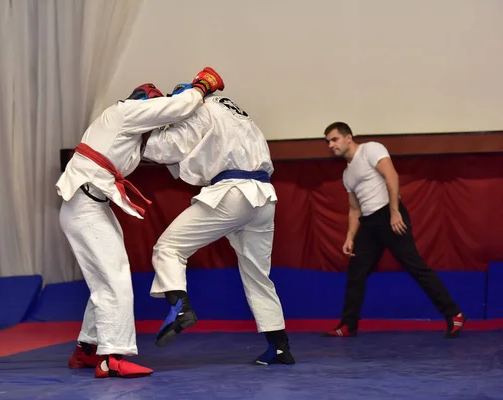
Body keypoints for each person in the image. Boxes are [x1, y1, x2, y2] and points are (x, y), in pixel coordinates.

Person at [55, 67, 225, 379]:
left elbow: (171, 145)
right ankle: (112, 359)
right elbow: (175, 108)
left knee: (105, 279)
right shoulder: (122, 112)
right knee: (114, 280)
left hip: (90, 205)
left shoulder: (131, 138)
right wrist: (200, 88)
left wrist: (194, 107)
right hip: (84, 205)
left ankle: (86, 350)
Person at [141, 83, 295, 366]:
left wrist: (139, 125)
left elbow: (164, 149)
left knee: (169, 247)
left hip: (232, 193)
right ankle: (280, 347)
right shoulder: (238, 113)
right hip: (263, 197)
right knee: (258, 275)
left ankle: (179, 306)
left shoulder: (201, 109)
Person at [321, 121, 467, 338]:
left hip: (389, 216)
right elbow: (354, 209)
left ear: (348, 137)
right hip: (369, 225)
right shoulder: (347, 174)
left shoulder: (371, 149)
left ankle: (454, 314)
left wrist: (395, 211)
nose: (331, 145)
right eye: (328, 142)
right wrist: (350, 236)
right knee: (356, 273)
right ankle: (347, 325)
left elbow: (392, 176)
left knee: (415, 266)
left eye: (335, 139)